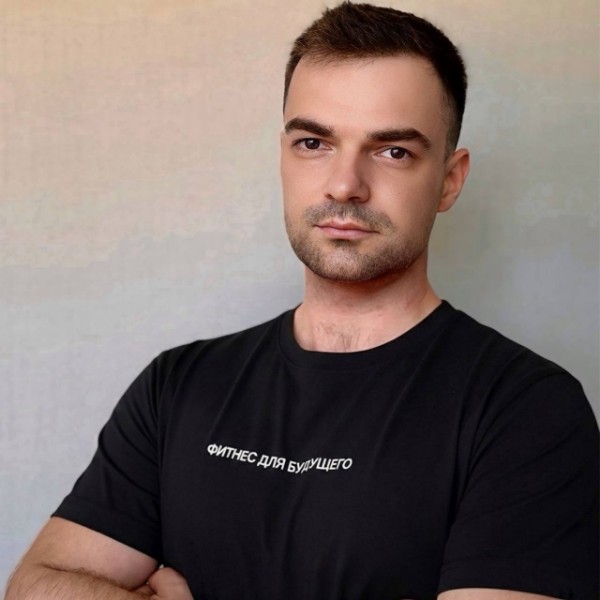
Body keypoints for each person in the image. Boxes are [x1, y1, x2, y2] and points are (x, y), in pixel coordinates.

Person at [5, 3, 598, 600]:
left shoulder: (526, 409)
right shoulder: (178, 385)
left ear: (450, 179)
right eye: (314, 142)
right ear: (283, 156)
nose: (344, 184)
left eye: (393, 151)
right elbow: (34, 586)